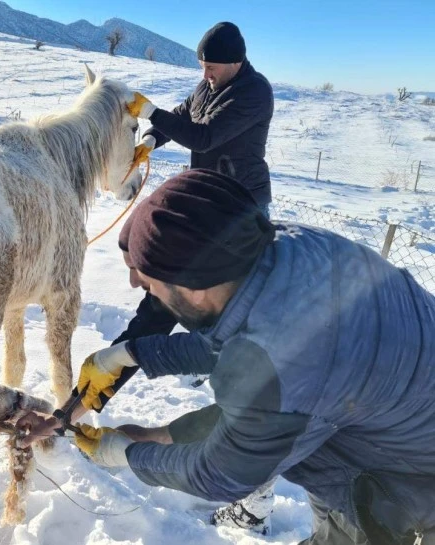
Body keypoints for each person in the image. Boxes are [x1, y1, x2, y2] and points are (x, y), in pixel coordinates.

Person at [22, 169, 435, 545]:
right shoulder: (277, 251)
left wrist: (128, 454)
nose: (134, 284)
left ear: (197, 288)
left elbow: (224, 471)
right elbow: (251, 349)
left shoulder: (279, 365)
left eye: (147, 281)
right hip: (383, 410)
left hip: (404, 471)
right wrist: (132, 354)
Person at [128, 21, 274, 215]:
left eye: (211, 67)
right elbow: (181, 115)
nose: (205, 75)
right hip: (209, 195)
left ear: (235, 62)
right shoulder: (206, 87)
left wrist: (151, 112)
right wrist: (152, 139)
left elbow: (203, 138)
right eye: (203, 67)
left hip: (242, 204)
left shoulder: (254, 91)